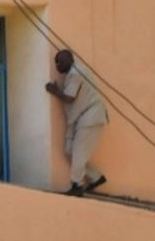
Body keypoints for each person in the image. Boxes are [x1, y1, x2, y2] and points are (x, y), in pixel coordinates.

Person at [45, 50, 109, 196]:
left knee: (78, 152)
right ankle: (96, 177)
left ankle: (77, 185)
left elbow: (69, 98)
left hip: (90, 117)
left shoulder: (75, 73)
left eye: (59, 63)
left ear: (68, 60)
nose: (57, 66)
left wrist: (54, 91)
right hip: (79, 118)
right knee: (69, 151)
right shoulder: (73, 72)